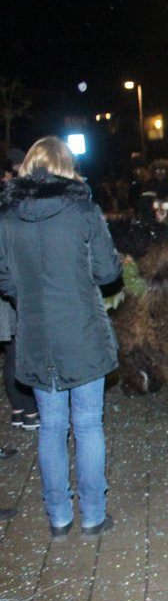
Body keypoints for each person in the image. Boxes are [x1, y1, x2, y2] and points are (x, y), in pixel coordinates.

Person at [0, 136, 123, 539]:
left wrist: (29, 297)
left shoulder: (7, 218)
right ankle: (92, 515)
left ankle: (57, 517)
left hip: (35, 335)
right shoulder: (84, 212)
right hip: (82, 330)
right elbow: (108, 273)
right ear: (66, 168)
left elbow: (4, 278)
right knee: (87, 424)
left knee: (51, 427)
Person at [0, 149, 38, 431]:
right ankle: (29, 412)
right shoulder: (11, 203)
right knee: (17, 348)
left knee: (12, 348)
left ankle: (18, 410)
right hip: (9, 287)